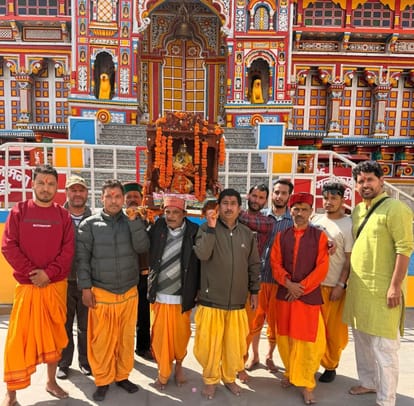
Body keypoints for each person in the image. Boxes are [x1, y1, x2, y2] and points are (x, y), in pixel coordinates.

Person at [1, 164, 75, 406]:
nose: (46, 188)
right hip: (28, 287)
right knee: (18, 341)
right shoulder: (19, 211)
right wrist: (34, 274)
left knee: (54, 337)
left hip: (55, 287)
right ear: (33, 184)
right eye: (41, 182)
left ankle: (51, 381)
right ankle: (11, 394)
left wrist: (48, 274)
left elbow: (67, 251)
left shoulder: (63, 216)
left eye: (51, 184)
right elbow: (8, 246)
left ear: (57, 187)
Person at [343, 161, 413, 406]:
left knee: (385, 348)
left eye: (370, 179)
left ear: (382, 181)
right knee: (362, 343)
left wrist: (395, 286)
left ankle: (386, 399)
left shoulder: (396, 209)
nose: (365, 185)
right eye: (360, 181)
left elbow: (404, 249)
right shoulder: (357, 211)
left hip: (384, 291)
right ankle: (368, 382)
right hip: (360, 291)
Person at [76, 179, 150, 401]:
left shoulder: (132, 221)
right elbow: (82, 260)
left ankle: (122, 376)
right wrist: (85, 288)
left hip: (128, 291)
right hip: (102, 292)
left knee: (125, 339)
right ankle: (102, 380)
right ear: (101, 198)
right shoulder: (89, 225)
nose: (114, 201)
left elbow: (143, 247)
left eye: (118, 196)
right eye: (109, 196)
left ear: (123, 199)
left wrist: (135, 222)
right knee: (102, 342)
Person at [193, 188, 261, 400]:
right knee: (209, 347)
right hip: (211, 300)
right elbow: (202, 254)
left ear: (240, 208)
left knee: (234, 346)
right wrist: (212, 229)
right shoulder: (206, 228)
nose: (229, 207)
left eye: (233, 203)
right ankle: (210, 380)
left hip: (237, 302)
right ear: (218, 206)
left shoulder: (247, 234)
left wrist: (254, 291)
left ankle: (229, 378)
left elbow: (253, 264)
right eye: (225, 203)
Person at [270, 192, 329, 405]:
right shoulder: (281, 236)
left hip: (307, 298)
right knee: (285, 338)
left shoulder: (320, 237)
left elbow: (322, 267)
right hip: (285, 295)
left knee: (307, 342)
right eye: (296, 209)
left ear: (311, 212)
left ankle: (306, 384)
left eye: (304, 209)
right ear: (290, 210)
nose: (300, 213)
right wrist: (288, 284)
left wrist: (300, 288)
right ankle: (290, 372)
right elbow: (275, 263)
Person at [147, 196, 200, 390]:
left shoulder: (194, 231)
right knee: (160, 338)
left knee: (181, 336)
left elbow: (201, 262)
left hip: (182, 293)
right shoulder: (157, 228)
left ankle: (179, 366)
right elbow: (142, 244)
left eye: (175, 212)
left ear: (184, 214)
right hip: (159, 293)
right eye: (167, 212)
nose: (170, 216)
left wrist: (198, 288)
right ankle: (163, 373)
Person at [245, 179, 294, 372]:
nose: (279, 196)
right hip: (257, 278)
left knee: (274, 322)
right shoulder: (261, 217)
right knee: (254, 320)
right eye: (276, 192)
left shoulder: (293, 220)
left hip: (279, 280)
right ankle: (254, 355)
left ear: (289, 196)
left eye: (284, 193)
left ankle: (270, 355)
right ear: (270, 195)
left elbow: (313, 231)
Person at [312, 182, 353, 383]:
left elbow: (348, 260)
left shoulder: (348, 225)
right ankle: (311, 363)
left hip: (334, 288)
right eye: (326, 198)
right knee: (314, 329)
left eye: (334, 198)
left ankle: (330, 365)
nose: (329, 202)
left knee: (334, 332)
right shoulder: (315, 220)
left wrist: (341, 285)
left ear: (342, 200)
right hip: (314, 285)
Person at [238, 183, 275, 382]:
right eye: (254, 196)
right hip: (229, 278)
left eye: (261, 198)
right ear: (247, 195)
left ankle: (240, 363)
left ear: (265, 201)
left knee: (247, 326)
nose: (256, 200)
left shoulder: (266, 222)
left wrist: (234, 213)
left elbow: (255, 223)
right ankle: (227, 362)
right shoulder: (236, 213)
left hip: (251, 280)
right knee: (229, 325)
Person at [57, 175, 92, 380]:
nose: (77, 194)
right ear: (66, 192)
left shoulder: (95, 219)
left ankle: (85, 361)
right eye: (73, 190)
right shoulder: (57, 217)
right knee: (64, 325)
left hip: (87, 283)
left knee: (86, 326)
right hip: (63, 281)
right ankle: (63, 363)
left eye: (81, 190)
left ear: (87, 193)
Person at [123, 181, 152, 360]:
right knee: (125, 315)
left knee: (144, 314)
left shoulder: (149, 218)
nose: (133, 200)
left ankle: (143, 347)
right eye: (129, 197)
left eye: (136, 196)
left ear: (141, 199)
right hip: (126, 274)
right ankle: (123, 349)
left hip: (145, 274)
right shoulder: (119, 220)